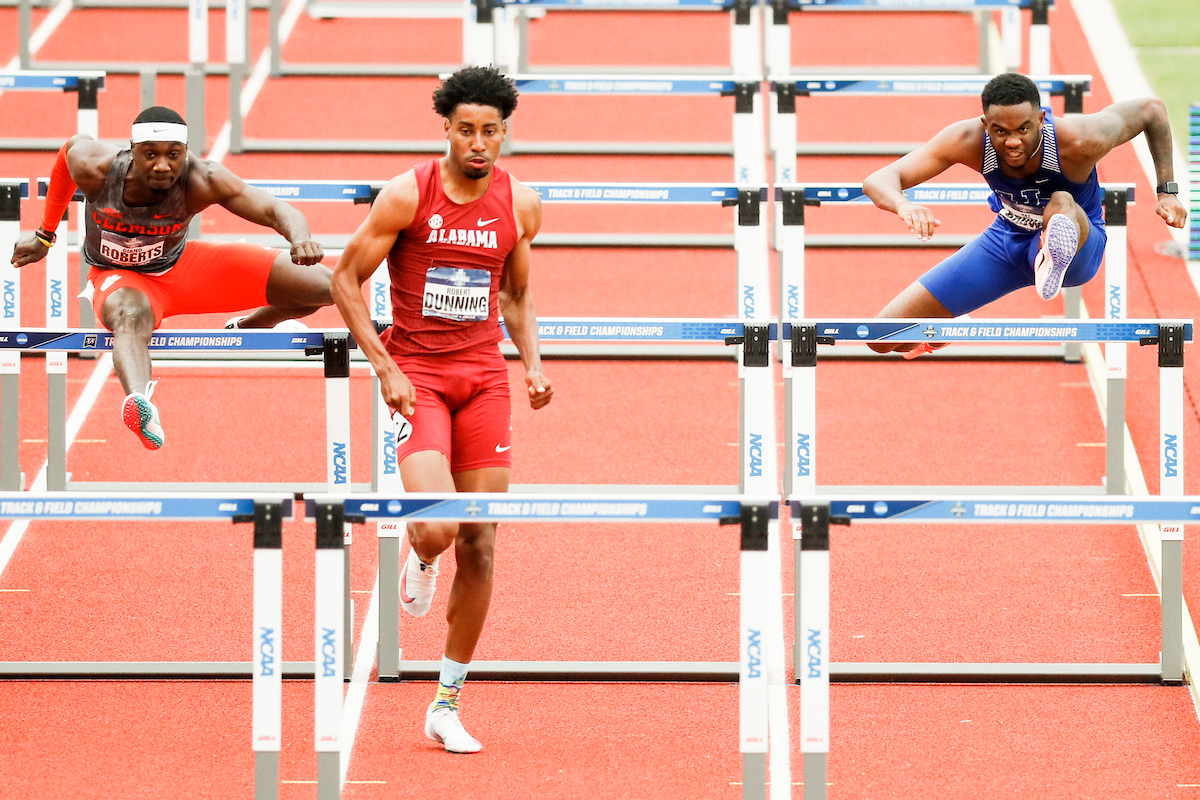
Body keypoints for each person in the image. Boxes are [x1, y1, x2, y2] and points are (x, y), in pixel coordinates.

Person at [331, 66, 552, 754]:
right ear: (446, 131)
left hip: (484, 376)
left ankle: (446, 703)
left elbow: (516, 296)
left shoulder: (522, 203)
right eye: (466, 130)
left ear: (505, 132)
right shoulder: (408, 194)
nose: (479, 143)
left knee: (483, 542)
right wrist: (386, 366)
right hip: (419, 377)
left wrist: (534, 365)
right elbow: (344, 278)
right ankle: (422, 556)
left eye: (491, 131)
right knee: (439, 531)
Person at [9, 106, 332, 449]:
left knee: (325, 285)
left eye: (173, 155)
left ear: (186, 152)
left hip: (183, 269)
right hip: (121, 278)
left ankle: (251, 326)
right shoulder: (96, 167)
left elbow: (273, 209)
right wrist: (45, 235)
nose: (162, 165)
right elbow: (67, 153)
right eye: (150, 154)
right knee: (129, 318)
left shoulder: (203, 178)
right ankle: (140, 402)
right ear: (131, 150)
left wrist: (300, 237)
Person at [862, 72, 1187, 356]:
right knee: (881, 337)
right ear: (985, 124)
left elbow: (1151, 110)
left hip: (1079, 248)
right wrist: (903, 204)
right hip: (1006, 242)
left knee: (1061, 200)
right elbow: (878, 180)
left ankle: (1051, 253)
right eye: (1000, 132)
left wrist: (1167, 191)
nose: (1013, 141)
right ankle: (948, 322)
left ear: (1042, 119)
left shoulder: (1081, 139)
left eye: (1024, 129)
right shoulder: (967, 140)